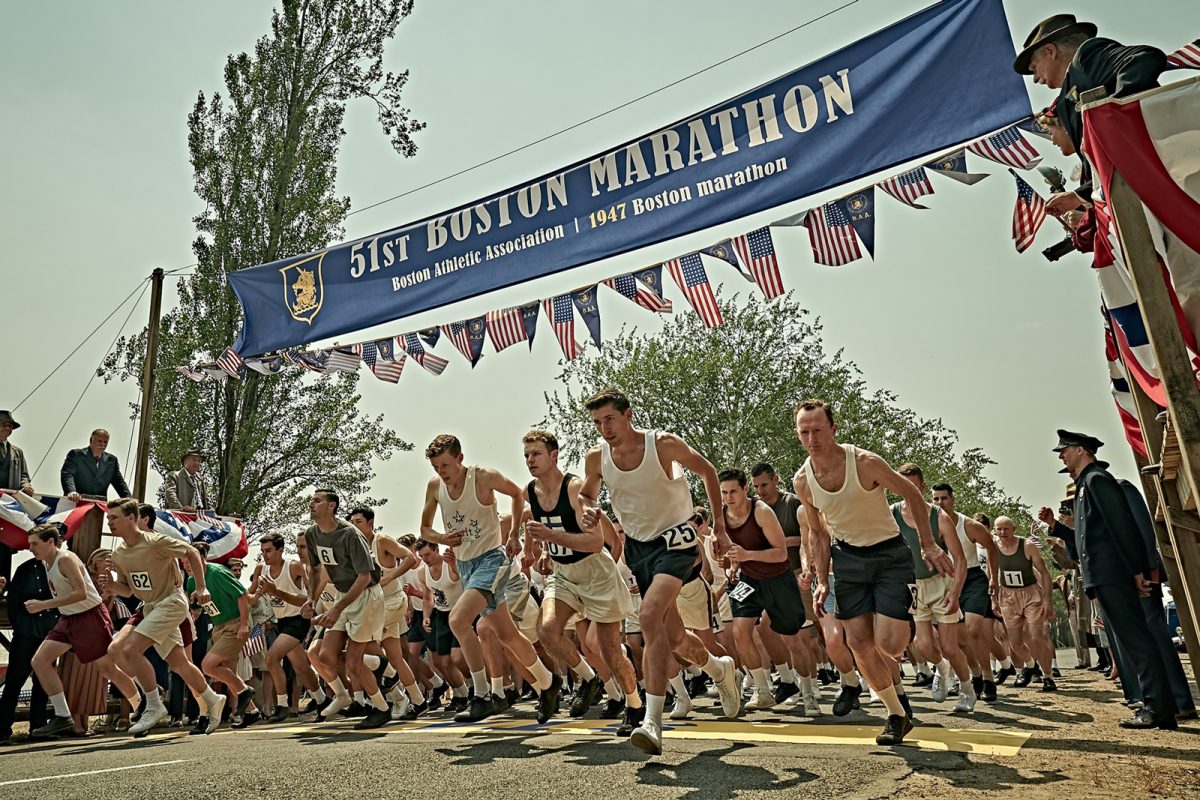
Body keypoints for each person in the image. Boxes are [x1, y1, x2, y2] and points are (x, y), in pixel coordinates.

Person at [579, 388, 740, 756]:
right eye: (598, 423)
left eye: (610, 419)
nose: (604, 429)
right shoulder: (596, 458)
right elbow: (587, 494)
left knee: (648, 617)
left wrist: (719, 524)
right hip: (639, 546)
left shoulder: (662, 445)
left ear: (628, 415)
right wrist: (589, 510)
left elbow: (708, 471)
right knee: (674, 636)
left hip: (677, 538)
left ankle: (652, 722)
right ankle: (719, 670)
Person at [791, 399, 953, 746]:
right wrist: (821, 581)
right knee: (859, 645)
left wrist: (927, 543)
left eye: (818, 430)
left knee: (889, 643)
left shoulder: (864, 463)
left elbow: (910, 492)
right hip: (847, 560)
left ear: (833, 430)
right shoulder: (803, 480)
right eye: (805, 432)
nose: (812, 438)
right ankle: (896, 714)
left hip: (889, 556)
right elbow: (817, 533)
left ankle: (902, 629)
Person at [419, 434, 560, 724]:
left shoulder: (482, 477)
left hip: (491, 559)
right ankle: (548, 683)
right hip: (465, 563)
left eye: (445, 465)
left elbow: (518, 494)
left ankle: (482, 694)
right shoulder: (435, 487)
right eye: (436, 467)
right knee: (507, 634)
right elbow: (424, 530)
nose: (441, 472)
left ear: (459, 458)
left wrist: (512, 535)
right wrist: (442, 537)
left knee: (458, 620)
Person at [1054, 429, 1182, 729]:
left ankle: (1157, 708)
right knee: (1132, 641)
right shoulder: (1086, 483)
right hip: (1106, 576)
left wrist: (1136, 570)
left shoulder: (1097, 480)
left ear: (1081, 450)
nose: (1062, 455)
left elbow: (1122, 527)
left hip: (1115, 574)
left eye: (1065, 450)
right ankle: (1159, 704)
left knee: (1137, 640)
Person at [521, 429, 639, 732]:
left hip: (595, 572)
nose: (530, 460)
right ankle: (590, 679)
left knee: (608, 648)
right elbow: (537, 527)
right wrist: (545, 549)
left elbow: (594, 541)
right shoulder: (529, 492)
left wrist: (551, 537)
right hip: (564, 574)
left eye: (535, 454)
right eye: (526, 456)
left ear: (553, 455)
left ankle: (635, 705)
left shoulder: (573, 488)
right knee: (547, 630)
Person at [1013, 14, 1167, 214]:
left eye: (1034, 68)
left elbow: (1143, 58)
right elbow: (1097, 164)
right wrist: (1078, 196)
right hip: (1135, 196)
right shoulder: (1065, 100)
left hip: (1156, 173)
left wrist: (1115, 113)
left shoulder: (1086, 57)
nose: (1035, 78)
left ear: (1050, 51)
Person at [106, 498, 225, 736]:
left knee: (130, 649)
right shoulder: (118, 554)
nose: (110, 522)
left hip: (171, 601)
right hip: (150, 606)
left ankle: (153, 704)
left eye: (115, 517)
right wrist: (111, 586)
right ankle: (213, 699)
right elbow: (128, 589)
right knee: (178, 663)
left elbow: (191, 551)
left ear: (132, 518)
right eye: (108, 518)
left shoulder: (154, 541)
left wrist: (201, 587)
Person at [23, 524, 140, 737]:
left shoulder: (66, 559)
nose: (30, 548)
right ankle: (62, 715)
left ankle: (141, 706)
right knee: (39, 661)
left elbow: (82, 593)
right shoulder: (47, 563)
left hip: (89, 617)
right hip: (68, 618)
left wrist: (44, 604)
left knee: (107, 668)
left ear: (51, 542)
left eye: (34, 544)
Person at [718, 469, 814, 713]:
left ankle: (807, 691)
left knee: (792, 637)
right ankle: (763, 690)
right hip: (749, 581)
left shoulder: (761, 511)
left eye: (733, 491)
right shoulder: (721, 517)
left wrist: (747, 555)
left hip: (778, 579)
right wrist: (731, 565)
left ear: (744, 490)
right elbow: (730, 554)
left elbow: (781, 553)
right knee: (741, 631)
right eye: (724, 492)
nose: (728, 497)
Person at [301, 489, 390, 729]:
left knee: (353, 663)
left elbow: (365, 577)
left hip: (365, 595)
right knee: (323, 655)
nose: (312, 504)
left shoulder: (350, 534)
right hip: (343, 594)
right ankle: (354, 685)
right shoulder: (312, 534)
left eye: (317, 501)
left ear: (332, 506)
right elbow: (315, 569)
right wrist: (310, 598)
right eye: (312, 500)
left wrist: (336, 609)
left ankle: (381, 708)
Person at [892, 465, 975, 712]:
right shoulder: (891, 515)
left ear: (922, 487)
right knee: (924, 645)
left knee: (950, 646)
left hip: (941, 583)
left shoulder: (938, 516)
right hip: (913, 586)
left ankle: (968, 689)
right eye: (902, 485)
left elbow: (959, 559)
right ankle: (942, 668)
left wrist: (956, 592)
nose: (908, 490)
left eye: (913, 485)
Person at [347, 507, 428, 719]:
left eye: (358, 521)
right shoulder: (355, 547)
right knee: (396, 656)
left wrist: (391, 577)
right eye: (352, 522)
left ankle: (390, 679)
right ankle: (418, 700)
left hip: (393, 601)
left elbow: (410, 558)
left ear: (370, 523)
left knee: (364, 640)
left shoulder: (381, 540)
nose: (355, 526)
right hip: (376, 605)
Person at [929, 482, 1002, 703]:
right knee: (959, 639)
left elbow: (991, 547)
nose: (940, 502)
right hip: (945, 582)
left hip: (972, 579)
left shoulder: (968, 525)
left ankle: (989, 679)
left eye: (944, 498)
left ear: (953, 499)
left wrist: (994, 579)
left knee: (974, 629)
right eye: (936, 499)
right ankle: (976, 674)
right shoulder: (930, 525)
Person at [181, 543, 255, 733]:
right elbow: (197, 609)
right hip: (218, 626)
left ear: (202, 558)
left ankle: (245, 691)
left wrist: (244, 624)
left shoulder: (218, 573)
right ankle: (252, 712)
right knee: (229, 675)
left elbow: (242, 595)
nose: (187, 565)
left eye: (190, 560)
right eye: (184, 561)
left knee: (208, 665)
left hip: (235, 622)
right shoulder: (191, 582)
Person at [249, 532, 323, 722]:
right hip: (281, 622)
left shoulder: (294, 567)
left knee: (271, 658)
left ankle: (282, 705)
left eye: (269, 550)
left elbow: (307, 600)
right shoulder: (261, 570)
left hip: (298, 620)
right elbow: (251, 598)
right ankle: (322, 700)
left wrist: (276, 592)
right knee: (301, 667)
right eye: (263, 551)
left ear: (281, 549)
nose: (265, 555)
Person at [992, 517, 1057, 692]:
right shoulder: (993, 547)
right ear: (994, 530)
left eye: (1006, 529)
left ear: (1013, 529)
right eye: (999, 529)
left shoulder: (1027, 545)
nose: (1003, 533)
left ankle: (1048, 676)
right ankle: (1030, 666)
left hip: (1030, 593)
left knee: (1036, 637)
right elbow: (991, 575)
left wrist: (1047, 600)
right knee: (1015, 643)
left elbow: (1044, 573)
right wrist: (994, 599)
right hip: (1007, 596)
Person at [0, 552, 57, 744]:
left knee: (43, 683)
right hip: (26, 631)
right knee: (14, 681)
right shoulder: (25, 569)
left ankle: (39, 728)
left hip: (50, 631)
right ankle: (2, 730)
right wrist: (21, 626)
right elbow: (14, 601)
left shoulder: (62, 567)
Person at [0, 409, 34, 587]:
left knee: (5, 545)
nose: (8, 427)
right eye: (4, 424)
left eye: (10, 425)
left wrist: (26, 486)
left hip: (9, 506)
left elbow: (24, 476)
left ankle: (4, 587)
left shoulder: (17, 452)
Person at [60, 429, 132, 501]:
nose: (103, 444)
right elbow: (67, 474)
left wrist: (129, 498)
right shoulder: (77, 455)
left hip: (99, 505)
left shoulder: (112, 460)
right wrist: (71, 491)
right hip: (76, 501)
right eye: (100, 441)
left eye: (105, 442)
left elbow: (119, 482)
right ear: (91, 440)